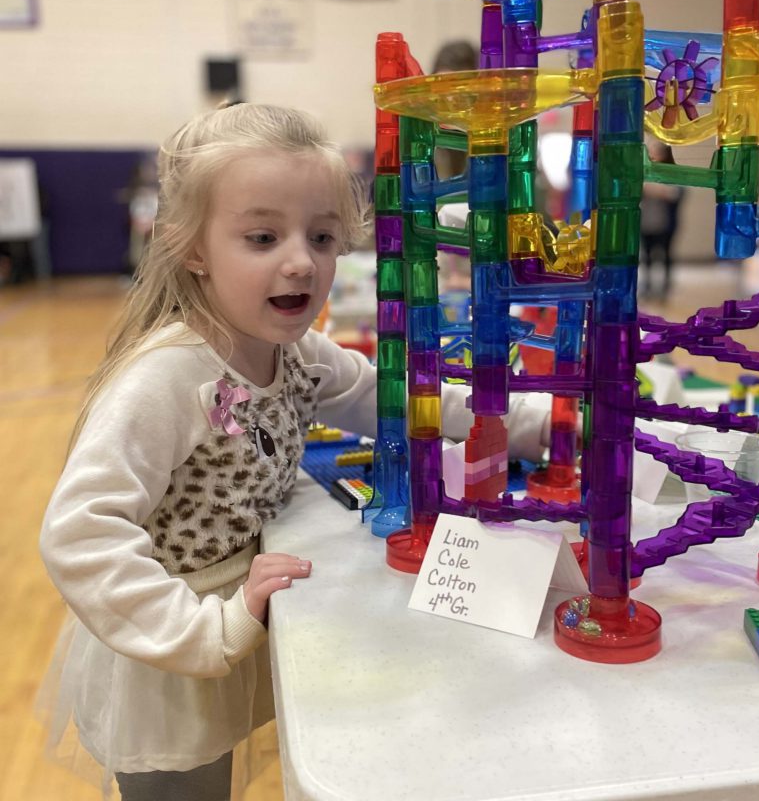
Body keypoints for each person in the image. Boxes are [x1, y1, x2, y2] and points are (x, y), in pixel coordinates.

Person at [38, 104, 551, 801]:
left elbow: (397, 400)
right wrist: (203, 630)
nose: (301, 261)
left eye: (322, 237)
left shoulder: (297, 354)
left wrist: (530, 422)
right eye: (262, 236)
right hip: (170, 651)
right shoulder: (166, 377)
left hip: (239, 619)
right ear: (192, 248)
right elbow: (80, 533)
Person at [640, 136, 684, 301]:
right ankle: (648, 285)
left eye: (657, 150)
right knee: (647, 255)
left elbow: (677, 193)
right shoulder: (644, 170)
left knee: (666, 254)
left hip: (665, 222)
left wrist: (659, 191)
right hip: (646, 221)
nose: (653, 154)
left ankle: (665, 287)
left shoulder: (672, 172)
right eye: (651, 150)